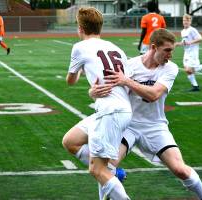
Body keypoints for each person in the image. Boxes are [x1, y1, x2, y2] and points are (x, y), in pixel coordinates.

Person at [91, 28, 202, 200]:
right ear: (153, 47)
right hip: (129, 126)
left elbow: (154, 94)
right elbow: (109, 90)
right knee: (106, 167)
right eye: (167, 50)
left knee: (180, 169)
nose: (170, 55)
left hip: (155, 126)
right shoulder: (129, 65)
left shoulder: (170, 69)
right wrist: (93, 92)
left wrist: (127, 81)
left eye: (172, 50)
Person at [61, 7, 132, 200]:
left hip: (111, 112)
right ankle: (111, 171)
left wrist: (82, 75)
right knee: (70, 141)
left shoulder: (79, 47)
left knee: (97, 170)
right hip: (118, 109)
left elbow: (70, 80)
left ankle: (112, 175)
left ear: (80, 28)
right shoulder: (117, 48)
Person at [175, 14, 202, 92]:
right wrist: (177, 44)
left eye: (187, 20)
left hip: (193, 52)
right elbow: (184, 42)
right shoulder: (183, 31)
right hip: (186, 52)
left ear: (190, 22)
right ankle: (195, 86)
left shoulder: (192, 30)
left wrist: (191, 42)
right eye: (184, 20)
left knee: (189, 69)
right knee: (187, 70)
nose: (185, 22)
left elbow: (200, 39)